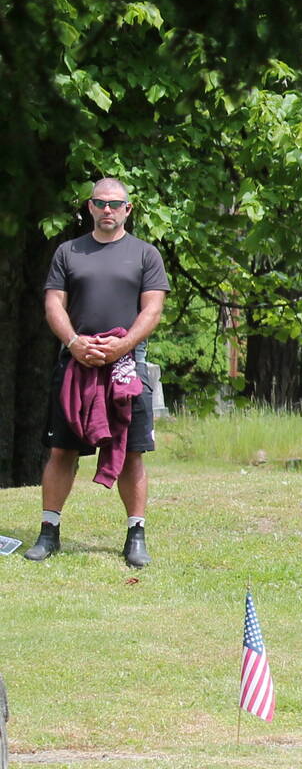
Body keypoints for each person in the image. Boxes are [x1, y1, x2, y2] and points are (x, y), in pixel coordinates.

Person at [24, 178, 169, 568]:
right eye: (100, 203)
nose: (108, 209)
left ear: (128, 209)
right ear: (90, 207)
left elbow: (152, 310)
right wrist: (74, 343)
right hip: (78, 361)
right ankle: (48, 532)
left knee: (133, 454)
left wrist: (123, 346)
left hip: (127, 365)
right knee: (61, 450)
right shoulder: (68, 252)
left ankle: (135, 535)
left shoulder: (146, 255)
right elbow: (54, 304)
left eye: (115, 203)